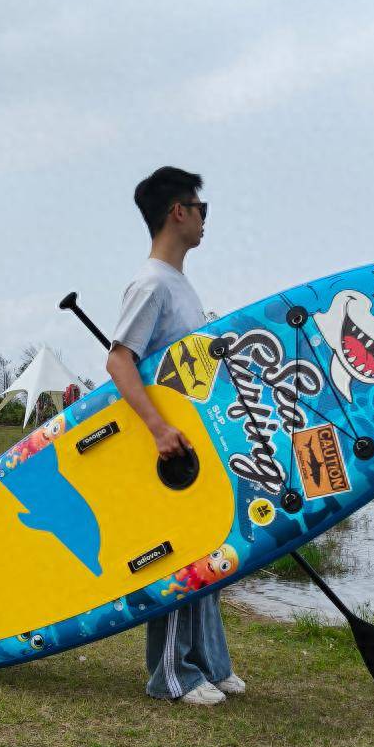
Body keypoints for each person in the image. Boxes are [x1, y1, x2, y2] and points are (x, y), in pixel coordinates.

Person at [106, 166, 245, 707]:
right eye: (201, 208)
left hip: (193, 446)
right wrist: (159, 429)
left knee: (207, 547)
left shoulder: (178, 284)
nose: (206, 219)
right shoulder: (151, 284)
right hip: (166, 451)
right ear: (178, 212)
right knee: (180, 557)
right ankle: (170, 676)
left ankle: (209, 664)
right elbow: (120, 361)